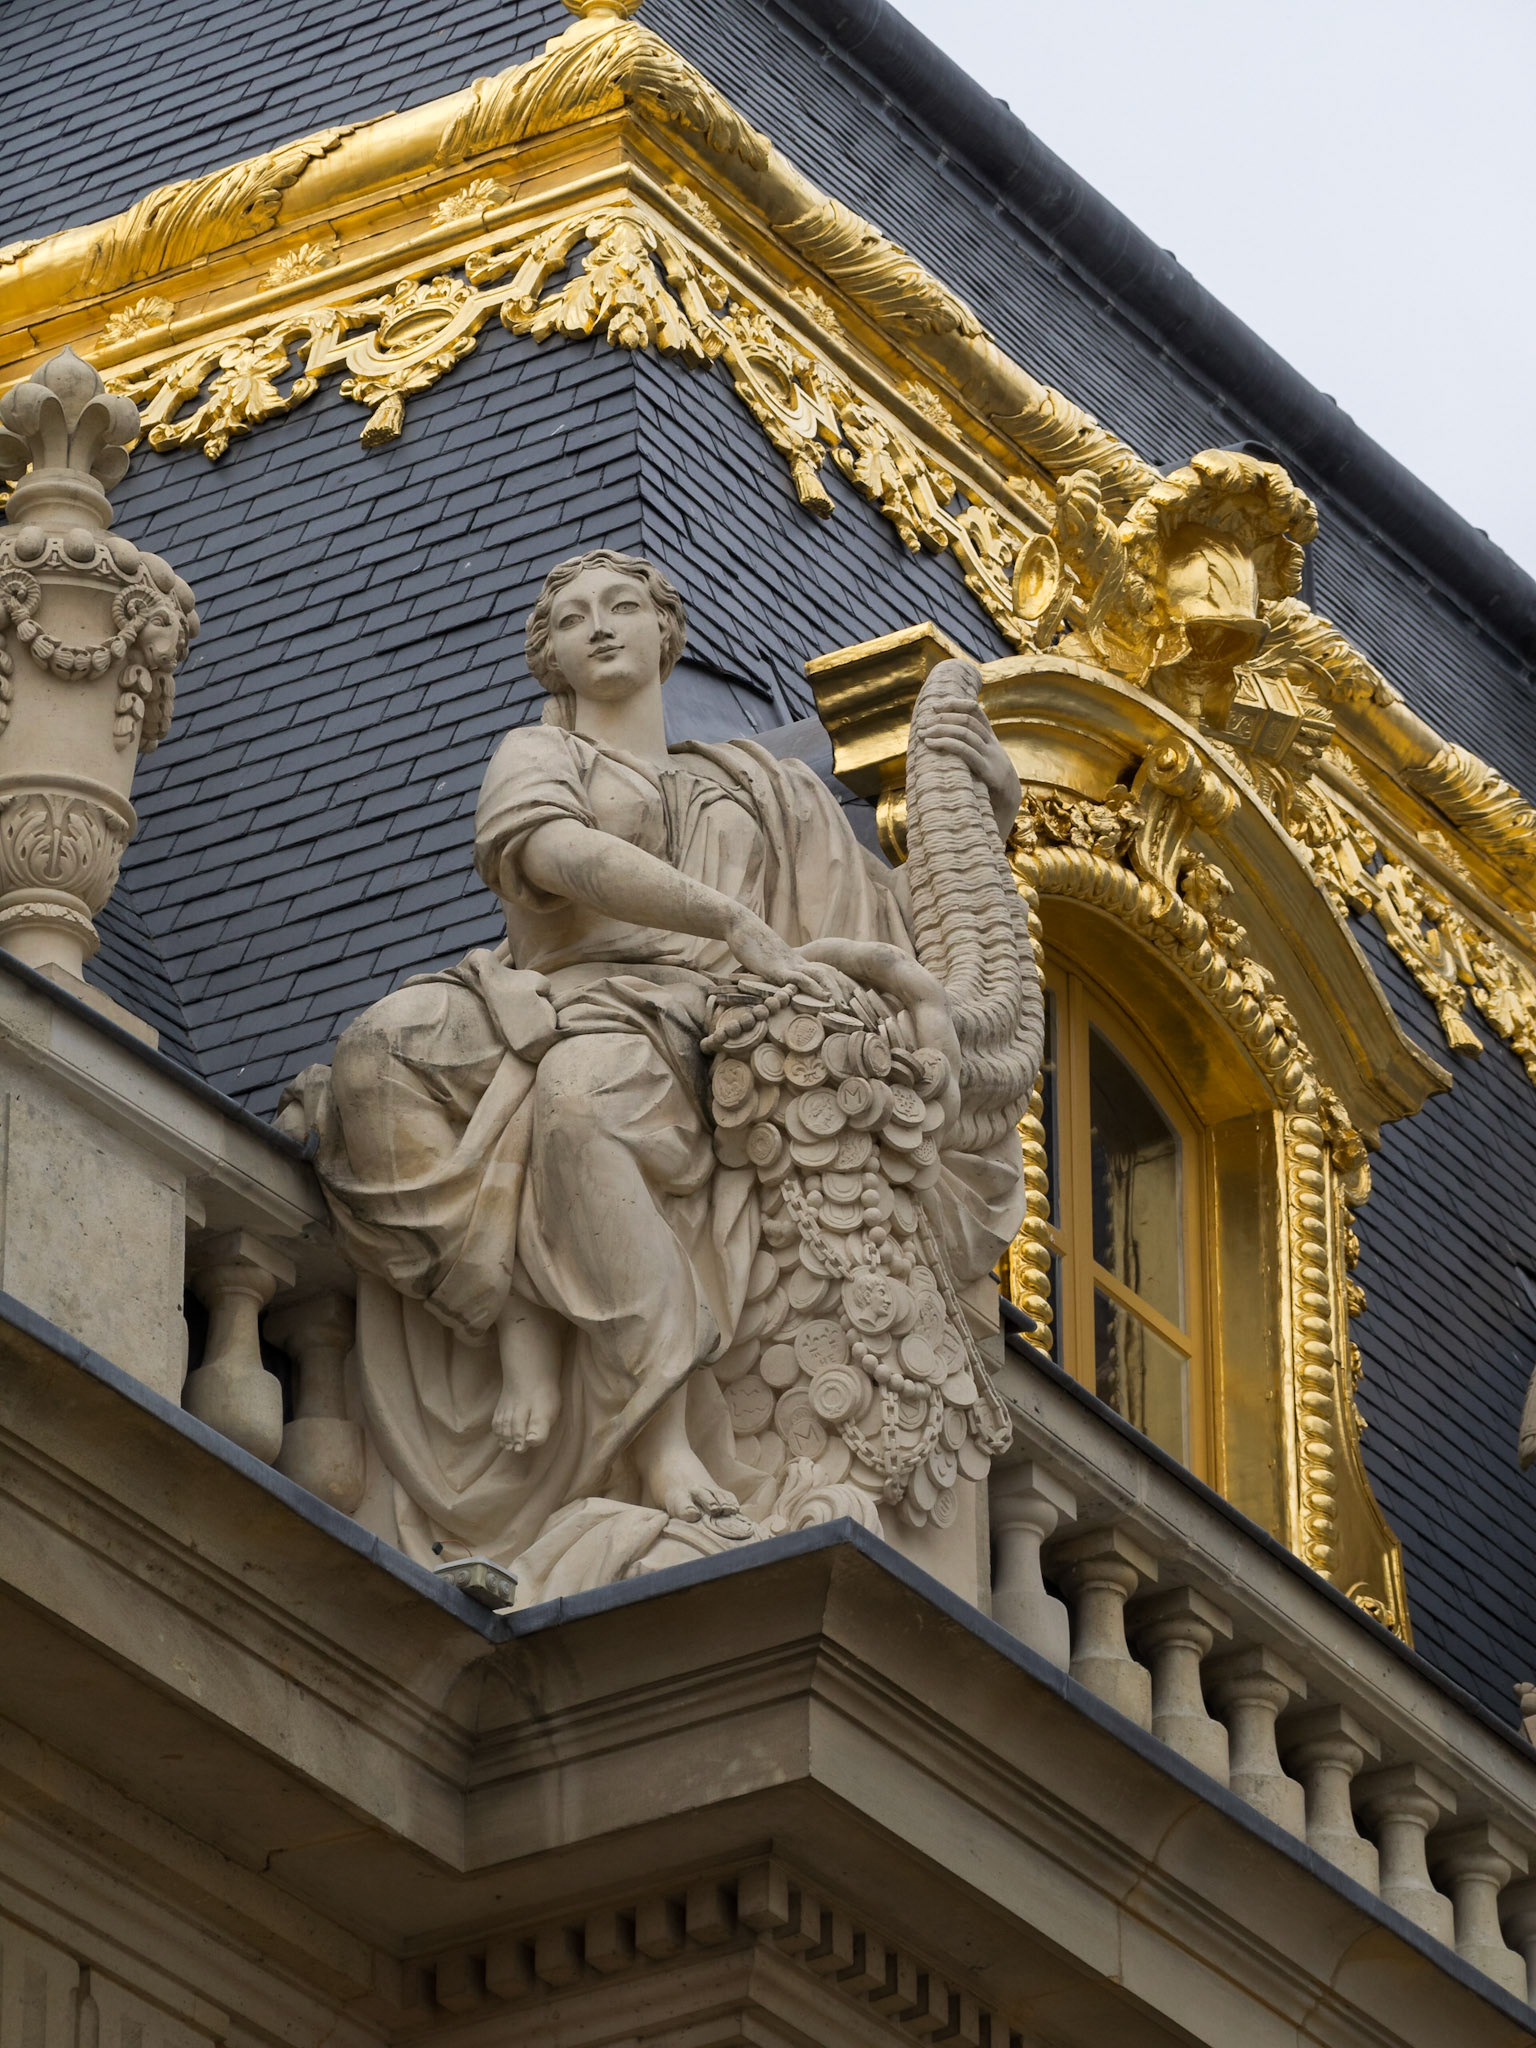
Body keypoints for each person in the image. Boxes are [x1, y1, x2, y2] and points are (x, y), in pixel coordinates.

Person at [296, 550, 1024, 1595]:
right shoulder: (539, 756)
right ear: (547, 652)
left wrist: (971, 832)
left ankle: (659, 1429)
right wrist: (724, 913)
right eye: (575, 617)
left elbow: (884, 937)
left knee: (582, 1098)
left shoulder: (760, 788)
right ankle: (509, 1314)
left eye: (624, 607)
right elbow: (547, 851)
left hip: (693, 1021)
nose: (601, 627)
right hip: (546, 989)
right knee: (376, 1055)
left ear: (665, 633)